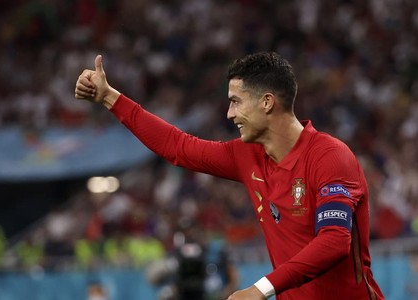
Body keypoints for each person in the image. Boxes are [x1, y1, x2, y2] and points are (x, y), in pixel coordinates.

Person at [74, 53, 384, 300]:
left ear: (266, 102)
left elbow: (333, 241)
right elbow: (178, 147)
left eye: (236, 101)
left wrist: (260, 289)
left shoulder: (329, 156)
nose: (229, 113)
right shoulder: (246, 156)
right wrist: (109, 98)